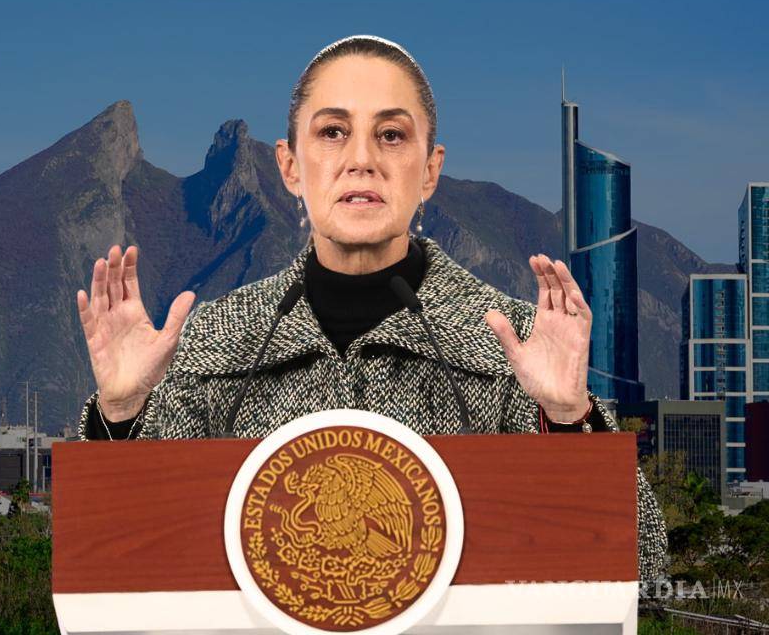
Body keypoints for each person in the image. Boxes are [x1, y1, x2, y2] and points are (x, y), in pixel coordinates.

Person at [73, 35, 667, 583]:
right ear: (289, 166)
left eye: (391, 135)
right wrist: (121, 414)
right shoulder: (211, 344)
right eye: (333, 131)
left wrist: (568, 418)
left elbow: (641, 568)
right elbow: (119, 557)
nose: (362, 159)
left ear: (430, 170)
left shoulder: (516, 345)